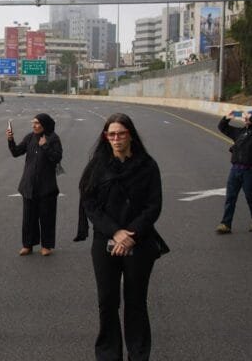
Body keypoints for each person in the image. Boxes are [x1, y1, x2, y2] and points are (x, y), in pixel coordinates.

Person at [79, 113, 166, 361]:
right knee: (107, 302)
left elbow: (153, 205)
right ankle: (108, 354)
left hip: (139, 242)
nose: (116, 138)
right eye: (111, 134)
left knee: (136, 301)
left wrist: (130, 235)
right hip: (104, 241)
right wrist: (115, 232)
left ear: (131, 135)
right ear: (105, 137)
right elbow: (90, 203)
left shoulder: (147, 166)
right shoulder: (97, 166)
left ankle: (138, 354)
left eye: (121, 134)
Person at [6, 113, 63, 256]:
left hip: (47, 187)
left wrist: (45, 146)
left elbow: (56, 158)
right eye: (33, 123)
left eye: (37, 123)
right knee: (29, 218)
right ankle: (28, 245)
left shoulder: (53, 139)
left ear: (45, 124)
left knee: (46, 217)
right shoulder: (30, 137)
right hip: (29, 185)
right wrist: (11, 140)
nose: (34, 126)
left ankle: (46, 246)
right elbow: (16, 152)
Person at [215, 110, 252, 234]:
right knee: (230, 198)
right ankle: (225, 224)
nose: (245, 119)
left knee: (250, 197)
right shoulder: (240, 132)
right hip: (235, 170)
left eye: (248, 118)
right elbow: (222, 127)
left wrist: (251, 117)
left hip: (249, 171)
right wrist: (229, 117)